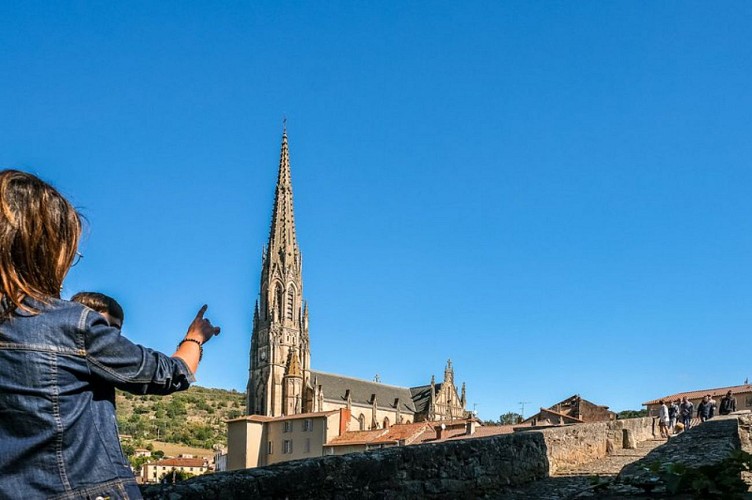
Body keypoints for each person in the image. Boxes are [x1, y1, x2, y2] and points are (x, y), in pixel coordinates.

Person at [0, 170, 220, 499]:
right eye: (67, 252)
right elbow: (167, 374)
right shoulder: (70, 325)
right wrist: (194, 339)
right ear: (41, 250)